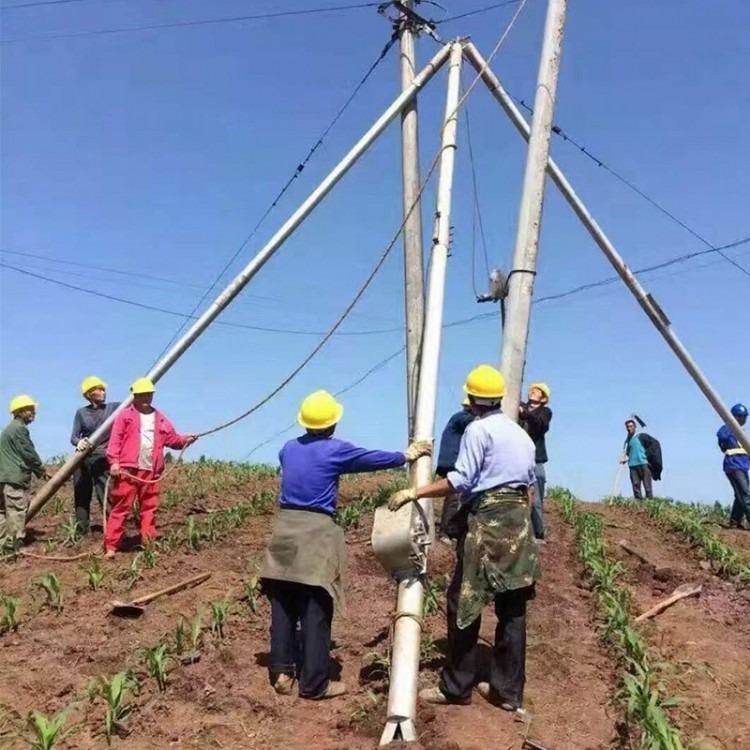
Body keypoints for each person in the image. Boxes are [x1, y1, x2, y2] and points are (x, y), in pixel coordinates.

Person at [260, 389, 431, 700]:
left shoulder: (288, 449)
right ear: (333, 424)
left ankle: (282, 671)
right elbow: (369, 459)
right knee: (316, 606)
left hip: (284, 529)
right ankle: (315, 684)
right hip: (315, 532)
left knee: (283, 603)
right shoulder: (334, 451)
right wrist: (405, 455)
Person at [388, 365, 539, 714]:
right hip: (519, 523)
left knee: (464, 602)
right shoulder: (521, 435)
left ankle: (457, 686)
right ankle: (507, 692)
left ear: (471, 400)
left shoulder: (477, 430)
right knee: (513, 609)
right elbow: (530, 490)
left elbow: (460, 480)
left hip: (488, 520)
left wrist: (415, 492)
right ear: (499, 398)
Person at [104, 378, 197, 558]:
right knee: (121, 508)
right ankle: (111, 547)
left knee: (149, 509)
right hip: (128, 470)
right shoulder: (125, 415)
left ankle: (148, 545)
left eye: (149, 394)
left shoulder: (160, 417)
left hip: (151, 472)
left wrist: (186, 440)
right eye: (142, 395)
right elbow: (115, 439)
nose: (146, 398)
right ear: (135, 397)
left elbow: (173, 440)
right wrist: (114, 461)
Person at [70, 376, 120, 535]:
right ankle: (81, 532)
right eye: (98, 389)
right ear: (89, 394)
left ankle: (113, 531)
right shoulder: (81, 413)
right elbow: (73, 437)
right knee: (82, 496)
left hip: (102, 458)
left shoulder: (113, 408)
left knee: (106, 495)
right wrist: (79, 442)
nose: (102, 392)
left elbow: (131, 402)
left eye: (103, 389)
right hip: (82, 459)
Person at [0, 395, 47, 552]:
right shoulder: (19, 429)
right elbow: (28, 452)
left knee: (2, 512)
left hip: (3, 477)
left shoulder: (8, 430)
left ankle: (3, 546)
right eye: (30, 410)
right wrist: (41, 470)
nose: (33, 413)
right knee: (16, 511)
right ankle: (13, 547)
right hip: (14, 478)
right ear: (19, 412)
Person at [436, 398, 474, 541]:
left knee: (459, 496)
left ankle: (453, 530)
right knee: (453, 497)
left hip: (451, 461)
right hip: (452, 462)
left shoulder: (459, 417)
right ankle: (446, 532)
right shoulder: (462, 417)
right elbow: (470, 423)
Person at [519, 382, 552, 541]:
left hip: (535, 459)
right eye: (532, 390)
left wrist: (524, 413)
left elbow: (540, 424)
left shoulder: (545, 412)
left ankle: (538, 533)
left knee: (537, 498)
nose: (532, 392)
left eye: (537, 391)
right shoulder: (518, 407)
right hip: (517, 458)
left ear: (543, 398)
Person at [717, 403, 750, 529]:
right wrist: (731, 425)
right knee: (745, 494)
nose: (745, 419)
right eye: (742, 417)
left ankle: (735, 521)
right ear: (735, 417)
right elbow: (722, 436)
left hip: (742, 466)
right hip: (733, 466)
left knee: (740, 494)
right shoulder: (728, 429)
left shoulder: (742, 432)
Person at [621, 418, 653, 499]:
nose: (629, 428)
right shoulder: (627, 442)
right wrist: (624, 459)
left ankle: (649, 505)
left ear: (635, 427)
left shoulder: (641, 437)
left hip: (644, 464)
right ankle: (639, 506)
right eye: (628, 427)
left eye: (631, 426)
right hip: (632, 466)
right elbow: (626, 454)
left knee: (647, 486)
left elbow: (650, 447)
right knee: (636, 486)